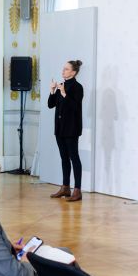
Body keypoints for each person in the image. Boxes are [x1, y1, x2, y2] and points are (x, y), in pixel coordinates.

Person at [47, 60, 85, 201]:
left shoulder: (77, 87)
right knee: (64, 158)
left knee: (74, 157)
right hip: (60, 128)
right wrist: (52, 91)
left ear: (73, 72)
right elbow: (51, 105)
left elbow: (75, 107)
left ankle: (77, 190)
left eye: (66, 69)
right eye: (63, 69)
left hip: (71, 128)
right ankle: (65, 187)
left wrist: (64, 94)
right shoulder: (61, 86)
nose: (63, 71)